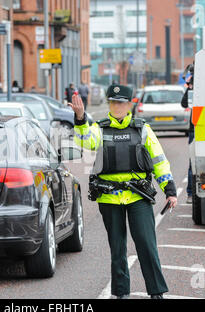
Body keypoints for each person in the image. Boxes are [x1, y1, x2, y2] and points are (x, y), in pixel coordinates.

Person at [69, 84, 177, 299]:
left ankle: (156, 292)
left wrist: (170, 189)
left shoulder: (142, 129)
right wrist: (80, 118)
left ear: (129, 104)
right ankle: (121, 294)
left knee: (146, 244)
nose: (116, 106)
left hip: (139, 195)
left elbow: (159, 162)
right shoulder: (98, 129)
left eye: (121, 103)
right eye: (113, 102)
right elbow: (84, 142)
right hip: (109, 197)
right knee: (117, 248)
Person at [181, 73, 194, 204]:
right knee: (193, 163)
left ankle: (190, 193)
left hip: (199, 127)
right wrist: (190, 88)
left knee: (193, 163)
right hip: (195, 128)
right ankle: (190, 193)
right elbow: (184, 103)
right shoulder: (193, 88)